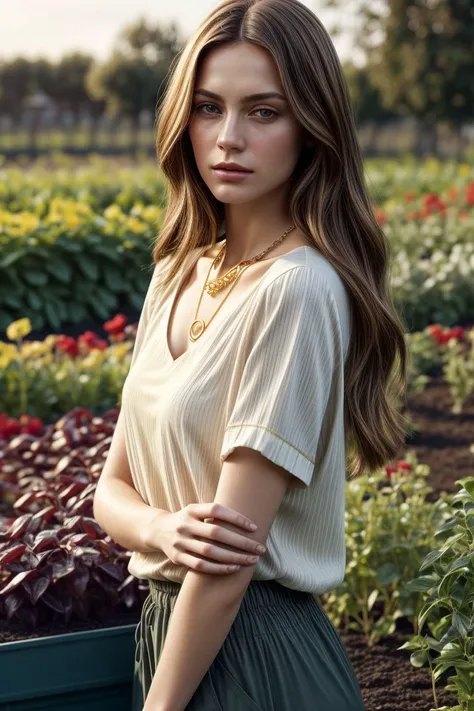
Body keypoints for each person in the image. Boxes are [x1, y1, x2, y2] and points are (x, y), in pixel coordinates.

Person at [93, 1, 409, 709]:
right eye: (209, 107)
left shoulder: (298, 288)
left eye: (263, 111)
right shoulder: (177, 271)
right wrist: (164, 528)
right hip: (170, 633)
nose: (227, 138)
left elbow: (228, 564)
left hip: (255, 654)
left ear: (311, 127)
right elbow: (110, 490)